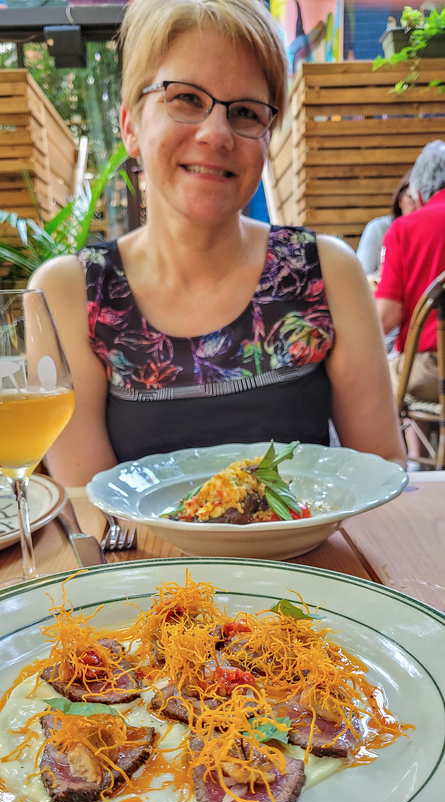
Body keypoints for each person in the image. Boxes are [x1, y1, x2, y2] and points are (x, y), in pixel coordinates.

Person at [32, 0, 405, 486]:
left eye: (246, 112)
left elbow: (379, 476)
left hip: (302, 563)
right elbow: (93, 512)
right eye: (186, 98)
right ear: (130, 125)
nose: (216, 133)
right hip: (142, 565)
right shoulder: (70, 294)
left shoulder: (326, 272)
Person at [376, 140, 445, 406]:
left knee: (373, 377)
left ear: (417, 195)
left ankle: (394, 450)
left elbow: (387, 317)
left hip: (432, 371)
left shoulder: (405, 229)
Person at [356, 172, 416, 278]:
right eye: (412, 198)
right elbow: (360, 278)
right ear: (400, 200)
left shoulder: (432, 233)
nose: (418, 205)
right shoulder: (378, 229)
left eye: (424, 200)